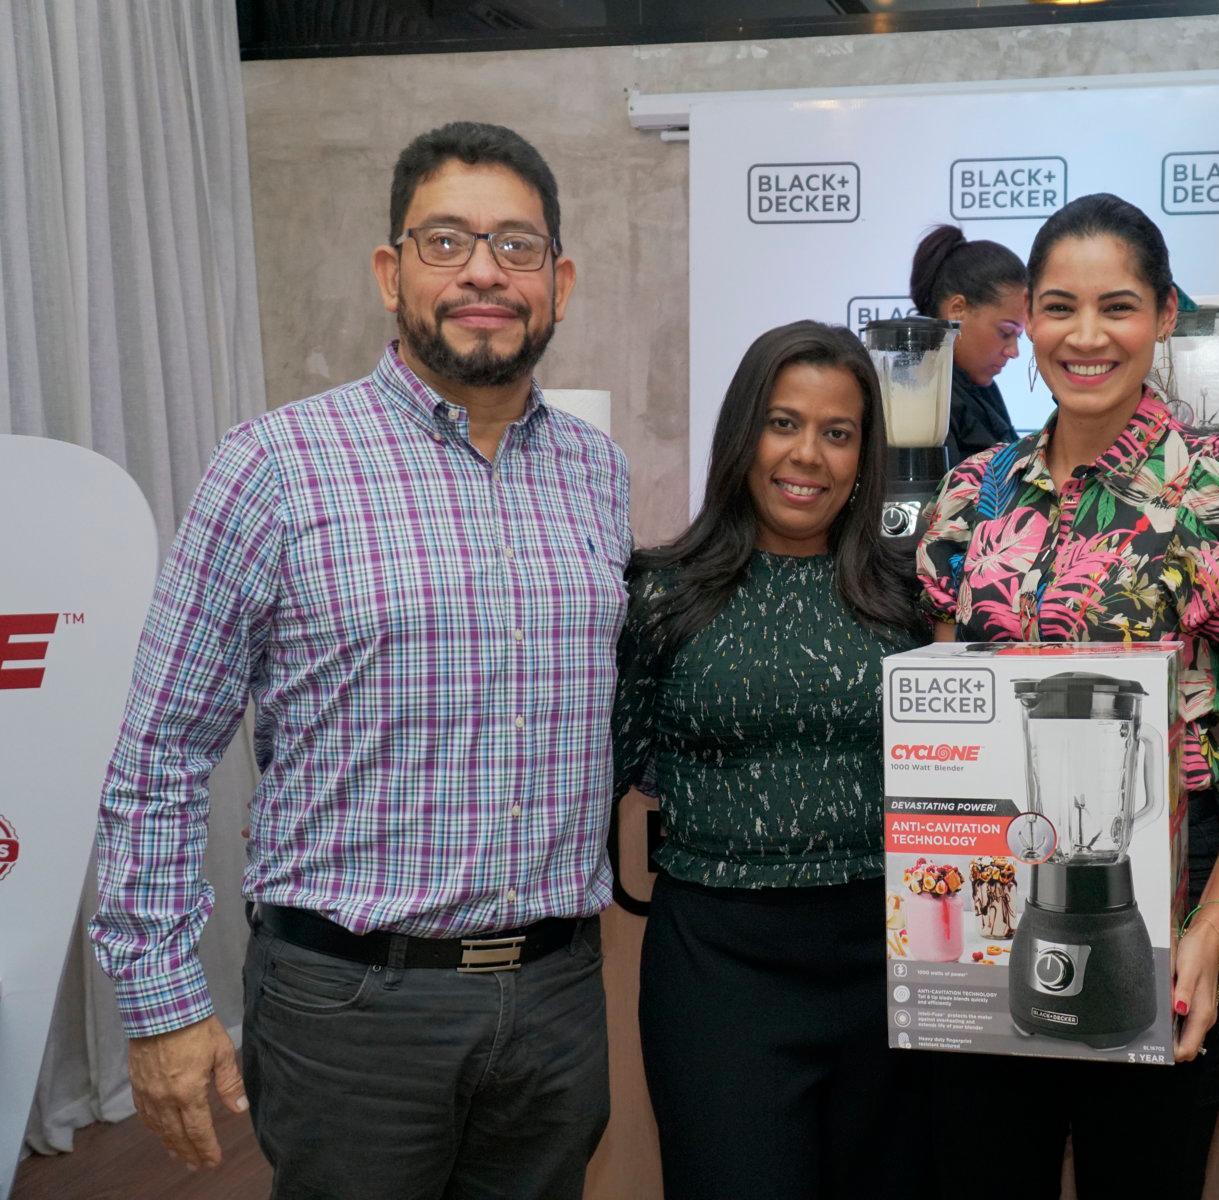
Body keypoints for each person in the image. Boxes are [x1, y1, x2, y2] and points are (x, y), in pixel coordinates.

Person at [88, 121, 627, 1199]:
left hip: (558, 1001)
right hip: (353, 1011)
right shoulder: (276, 467)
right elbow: (159, 748)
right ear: (392, 272)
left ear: (559, 283)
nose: (484, 269)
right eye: (447, 241)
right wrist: (161, 1003)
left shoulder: (595, 473)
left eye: (517, 246)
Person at [914, 193, 1219, 1196]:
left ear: (1166, 314)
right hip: (993, 896)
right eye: (1058, 308)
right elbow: (945, 718)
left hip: (1172, 899)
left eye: (1119, 307)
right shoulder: (975, 493)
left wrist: (1209, 929)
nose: (1086, 336)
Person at [615, 321, 927, 1200]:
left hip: (893, 963)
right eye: (783, 423)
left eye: (838, 433)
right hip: (719, 971)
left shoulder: (910, 596)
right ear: (742, 435)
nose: (809, 457)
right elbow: (612, 761)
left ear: (865, 454)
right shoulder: (660, 591)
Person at [908, 224, 1028, 463]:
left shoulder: (978, 386)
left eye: (1019, 336)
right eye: (1005, 332)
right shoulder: (920, 395)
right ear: (957, 310)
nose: (1014, 352)